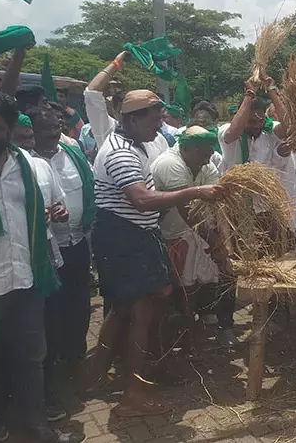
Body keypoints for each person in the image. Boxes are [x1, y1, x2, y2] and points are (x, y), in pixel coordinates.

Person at [84, 90, 223, 417]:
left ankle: (93, 376)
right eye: (154, 119)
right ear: (131, 119)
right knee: (141, 316)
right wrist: (197, 191)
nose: (160, 125)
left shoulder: (137, 145)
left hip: (134, 237)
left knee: (121, 312)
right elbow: (142, 200)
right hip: (124, 239)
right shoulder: (120, 153)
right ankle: (132, 396)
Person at [0, 90, 84, 443]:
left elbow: (57, 209)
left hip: (27, 279)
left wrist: (53, 214)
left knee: (32, 356)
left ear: (9, 129)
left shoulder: (32, 166)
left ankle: (36, 424)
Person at [28, 106, 95, 420]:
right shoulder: (29, 165)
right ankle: (51, 368)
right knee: (52, 312)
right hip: (45, 253)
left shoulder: (72, 151)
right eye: (45, 132)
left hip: (77, 244)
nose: (53, 137)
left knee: (80, 304)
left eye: (56, 130)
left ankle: (75, 358)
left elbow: (86, 188)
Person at [151, 126, 236, 348]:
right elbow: (188, 210)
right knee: (183, 289)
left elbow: (218, 206)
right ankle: (185, 337)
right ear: (186, 149)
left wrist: (226, 243)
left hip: (197, 234)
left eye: (209, 155)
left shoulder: (204, 163)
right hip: (172, 234)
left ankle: (220, 327)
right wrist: (216, 246)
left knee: (218, 276)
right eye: (203, 155)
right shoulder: (170, 164)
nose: (207, 162)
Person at [83, 51, 169, 165]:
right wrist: (115, 64)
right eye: (124, 108)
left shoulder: (158, 139)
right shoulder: (109, 133)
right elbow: (92, 92)